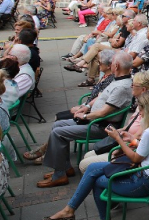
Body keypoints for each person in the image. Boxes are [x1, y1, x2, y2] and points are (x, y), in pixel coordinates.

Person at [41, 91, 149, 220]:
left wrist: (118, 139)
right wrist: (131, 138)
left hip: (143, 182)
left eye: (141, 109)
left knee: (97, 181)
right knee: (92, 168)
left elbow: (136, 158)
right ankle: (70, 211)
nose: (139, 113)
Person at [38, 52, 134, 187]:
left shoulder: (121, 87)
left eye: (111, 63)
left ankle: (59, 175)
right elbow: (101, 96)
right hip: (93, 121)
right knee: (57, 125)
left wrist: (84, 116)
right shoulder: (118, 79)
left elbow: (103, 113)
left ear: (116, 66)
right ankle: (64, 168)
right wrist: (86, 106)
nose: (110, 65)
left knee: (58, 133)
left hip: (100, 126)